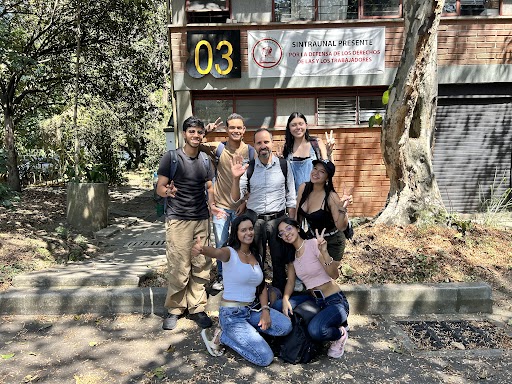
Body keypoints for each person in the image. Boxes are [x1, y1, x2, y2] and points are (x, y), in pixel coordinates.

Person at [191, 214, 292, 366]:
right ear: (236, 234)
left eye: (250, 229)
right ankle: (224, 335)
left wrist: (265, 310)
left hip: (252, 310)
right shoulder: (229, 253)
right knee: (265, 358)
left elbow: (261, 286)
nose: (248, 233)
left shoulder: (255, 255)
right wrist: (203, 249)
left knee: (286, 326)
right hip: (232, 315)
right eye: (243, 230)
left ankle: (245, 332)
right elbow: (217, 252)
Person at [156, 116, 222, 331]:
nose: (195, 135)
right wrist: (168, 192)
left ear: (203, 134)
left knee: (201, 265)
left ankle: (197, 307)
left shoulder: (205, 160)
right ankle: (175, 309)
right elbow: (160, 187)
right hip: (178, 220)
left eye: (199, 132)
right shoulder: (172, 157)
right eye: (191, 131)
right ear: (185, 134)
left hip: (201, 219)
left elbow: (210, 186)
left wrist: (211, 206)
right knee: (178, 265)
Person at [230, 128, 296, 294]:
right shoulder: (249, 168)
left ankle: (279, 296)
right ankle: (257, 295)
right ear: (255, 145)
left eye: (266, 142)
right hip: (255, 221)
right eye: (259, 143)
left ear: (272, 143)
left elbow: (291, 196)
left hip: (278, 221)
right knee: (255, 261)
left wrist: (292, 224)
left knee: (279, 261)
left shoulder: (283, 165)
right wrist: (235, 178)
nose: (263, 146)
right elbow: (235, 198)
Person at [274, 217, 350, 359]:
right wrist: (285, 299)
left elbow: (334, 274)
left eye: (288, 228)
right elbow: (290, 282)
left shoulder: (313, 244)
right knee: (278, 305)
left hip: (334, 301)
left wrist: (325, 252)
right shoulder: (292, 256)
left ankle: (340, 333)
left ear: (297, 227)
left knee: (316, 330)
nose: (286, 233)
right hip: (315, 301)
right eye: (281, 233)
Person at [200, 114, 255, 291]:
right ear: (226, 129)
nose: (236, 131)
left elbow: (255, 180)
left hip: (241, 208)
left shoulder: (250, 151)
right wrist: (206, 132)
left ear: (244, 130)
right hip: (221, 207)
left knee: (242, 243)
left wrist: (246, 200)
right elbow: (194, 144)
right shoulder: (219, 148)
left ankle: (242, 275)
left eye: (239, 128)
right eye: (232, 127)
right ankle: (223, 277)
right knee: (222, 244)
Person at [296, 159, 351, 262]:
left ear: (327, 178)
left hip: (332, 241)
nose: (316, 173)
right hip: (312, 237)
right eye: (315, 168)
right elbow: (297, 217)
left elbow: (341, 227)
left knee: (327, 273)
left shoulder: (331, 197)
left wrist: (342, 210)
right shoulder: (303, 188)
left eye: (322, 171)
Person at [281, 112, 335, 192]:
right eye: (293, 125)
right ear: (289, 128)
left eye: (301, 124)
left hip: (316, 197)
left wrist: (330, 153)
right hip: (295, 200)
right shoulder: (286, 149)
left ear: (306, 125)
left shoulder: (317, 143)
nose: (298, 127)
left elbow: (329, 170)